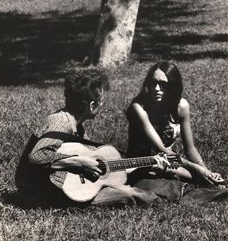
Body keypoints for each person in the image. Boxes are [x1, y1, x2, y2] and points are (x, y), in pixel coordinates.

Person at [15, 68, 168, 207]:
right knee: (134, 194)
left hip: (68, 188)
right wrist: (79, 162)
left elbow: (104, 167)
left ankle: (178, 192)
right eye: (101, 101)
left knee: (134, 184)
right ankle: (171, 199)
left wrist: (148, 164)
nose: (102, 105)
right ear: (92, 105)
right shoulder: (60, 122)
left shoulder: (76, 125)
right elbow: (36, 156)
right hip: (43, 195)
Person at [126, 61, 226, 198]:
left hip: (170, 162)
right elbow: (162, 150)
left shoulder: (181, 107)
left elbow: (190, 149)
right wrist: (199, 170)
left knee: (202, 177)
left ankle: (209, 184)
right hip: (143, 164)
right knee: (196, 176)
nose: (156, 88)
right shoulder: (139, 108)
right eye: (153, 83)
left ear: (173, 87)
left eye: (163, 84)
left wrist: (206, 170)